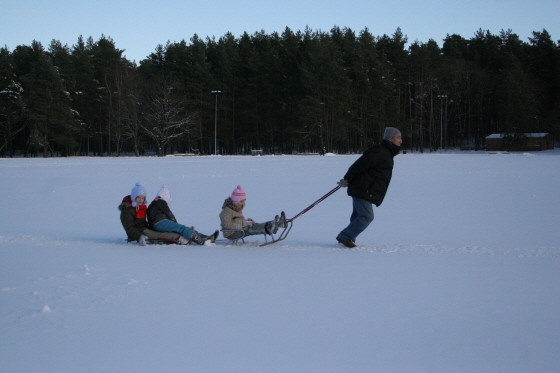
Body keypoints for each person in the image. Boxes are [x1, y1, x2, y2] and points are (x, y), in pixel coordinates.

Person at [335, 127, 402, 248]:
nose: (400, 141)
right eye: (398, 137)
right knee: (366, 216)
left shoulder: (386, 152)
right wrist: (347, 179)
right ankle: (345, 237)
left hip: (365, 188)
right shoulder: (378, 151)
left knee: (358, 216)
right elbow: (358, 166)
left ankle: (348, 241)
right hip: (363, 188)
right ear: (391, 138)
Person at [119, 182, 190, 246]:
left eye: (143, 198)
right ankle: (179, 238)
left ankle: (186, 233)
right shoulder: (127, 210)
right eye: (138, 198)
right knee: (161, 235)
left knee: (162, 230)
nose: (141, 200)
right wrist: (140, 236)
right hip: (140, 233)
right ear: (133, 197)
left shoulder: (142, 207)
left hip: (146, 228)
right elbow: (129, 228)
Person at [148, 185, 218, 245]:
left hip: (156, 225)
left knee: (183, 229)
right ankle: (201, 241)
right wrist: (176, 224)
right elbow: (169, 214)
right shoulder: (161, 202)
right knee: (182, 228)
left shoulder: (153, 204)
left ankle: (201, 236)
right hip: (160, 223)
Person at [219, 185, 286, 240]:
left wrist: (247, 221)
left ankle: (276, 224)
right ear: (235, 201)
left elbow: (239, 221)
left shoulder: (237, 209)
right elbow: (227, 225)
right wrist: (243, 224)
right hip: (231, 234)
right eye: (241, 201)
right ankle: (269, 227)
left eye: (244, 201)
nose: (243, 204)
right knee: (250, 229)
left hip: (238, 230)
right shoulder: (226, 211)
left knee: (254, 225)